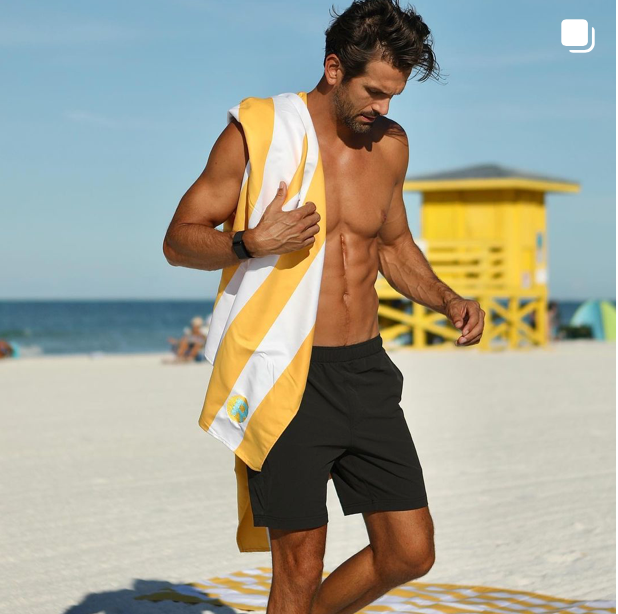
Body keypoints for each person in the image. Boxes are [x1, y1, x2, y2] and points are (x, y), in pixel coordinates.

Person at [163, 1, 485, 611]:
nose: (384, 109)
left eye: (394, 95)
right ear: (334, 69)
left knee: (410, 551)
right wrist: (249, 241)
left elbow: (392, 246)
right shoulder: (256, 136)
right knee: (299, 565)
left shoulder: (390, 147)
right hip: (287, 371)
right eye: (374, 91)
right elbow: (178, 240)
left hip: (364, 370)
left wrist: (447, 298)